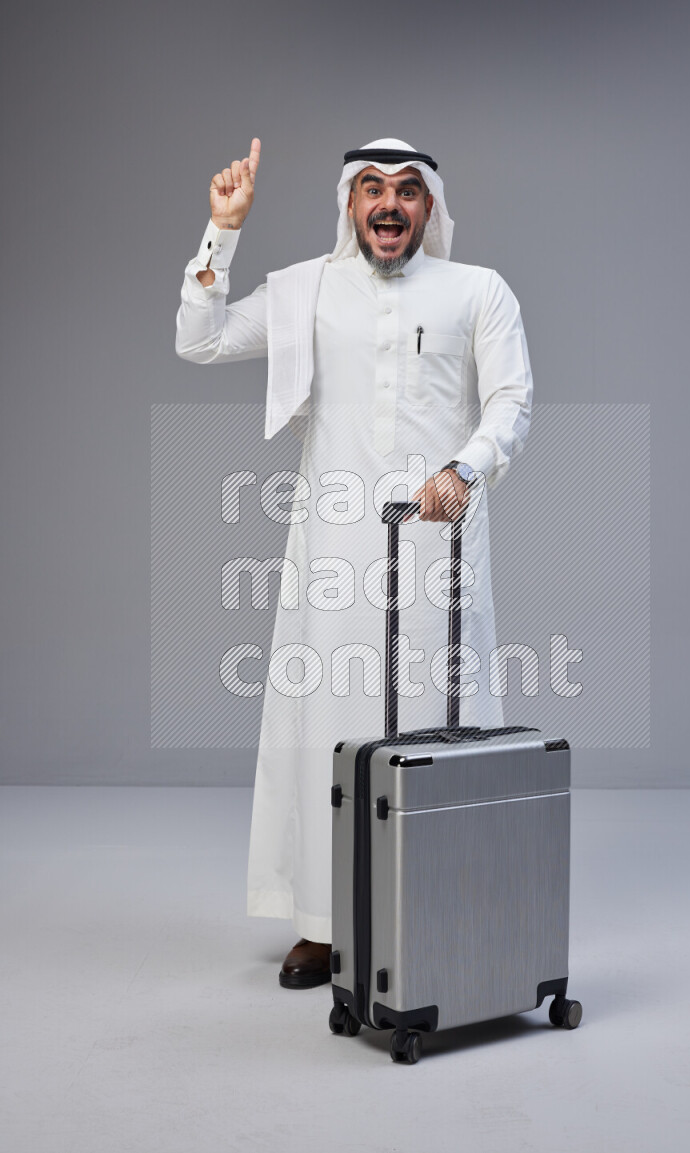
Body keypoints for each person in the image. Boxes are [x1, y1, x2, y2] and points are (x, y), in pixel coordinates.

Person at [176, 137, 533, 989]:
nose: (387, 204)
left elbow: (513, 400)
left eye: (407, 191)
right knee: (328, 723)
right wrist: (220, 234)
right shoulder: (306, 290)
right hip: (333, 547)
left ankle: (446, 906)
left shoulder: (478, 290)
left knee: (447, 724)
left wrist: (466, 467)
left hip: (439, 543)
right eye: (370, 188)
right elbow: (202, 339)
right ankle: (325, 922)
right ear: (348, 202)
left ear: (431, 207)